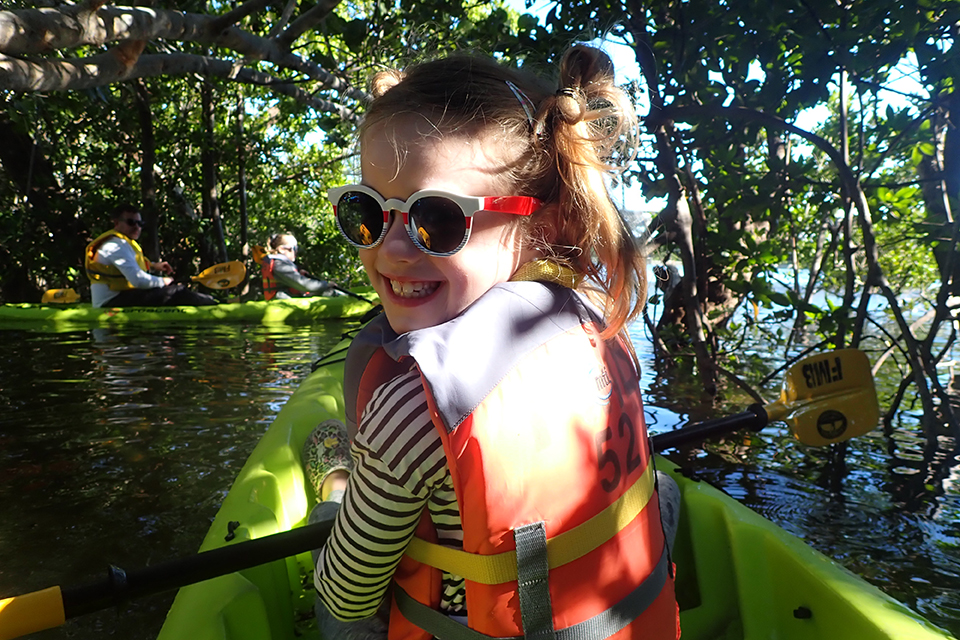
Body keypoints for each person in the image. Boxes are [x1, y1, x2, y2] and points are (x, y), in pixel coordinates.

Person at [304, 45, 681, 640]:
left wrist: (332, 525)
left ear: (543, 227)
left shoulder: (410, 408)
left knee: (331, 567)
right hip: (628, 624)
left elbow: (347, 593)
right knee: (664, 490)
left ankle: (336, 486)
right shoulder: (596, 325)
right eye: (367, 212)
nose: (392, 249)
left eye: (439, 219)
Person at [85, 203, 218, 308]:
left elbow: (131, 265)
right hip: (110, 301)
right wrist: (163, 281)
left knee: (174, 291)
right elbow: (138, 280)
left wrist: (154, 266)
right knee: (175, 292)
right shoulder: (114, 246)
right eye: (131, 222)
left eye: (140, 224)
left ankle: (212, 301)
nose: (137, 227)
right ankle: (215, 304)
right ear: (116, 223)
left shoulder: (122, 242)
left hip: (121, 295)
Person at [260, 232, 339, 300]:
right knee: (330, 293)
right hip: (284, 300)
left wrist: (298, 274)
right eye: (294, 248)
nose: (296, 252)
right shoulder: (279, 264)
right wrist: (325, 285)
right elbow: (303, 284)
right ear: (282, 249)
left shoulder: (279, 263)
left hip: (286, 297)